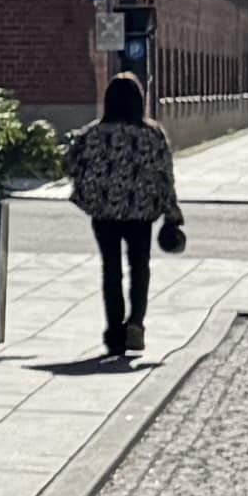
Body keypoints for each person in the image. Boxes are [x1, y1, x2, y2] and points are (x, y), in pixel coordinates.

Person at [61, 73, 183, 357]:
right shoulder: (152, 134)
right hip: (141, 213)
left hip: (104, 212)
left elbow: (71, 165)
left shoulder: (92, 134)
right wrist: (172, 212)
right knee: (140, 267)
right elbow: (165, 175)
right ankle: (137, 324)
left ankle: (114, 331)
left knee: (111, 270)